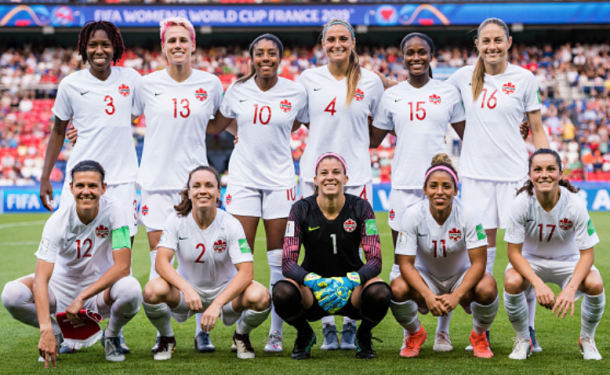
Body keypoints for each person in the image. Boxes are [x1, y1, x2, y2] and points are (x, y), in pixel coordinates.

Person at [445, 18, 550, 350]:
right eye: (485, 41)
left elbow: (535, 126)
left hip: (516, 178)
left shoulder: (523, 78)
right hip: (475, 178)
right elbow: (426, 92)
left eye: (497, 40)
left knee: (525, 256)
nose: (491, 46)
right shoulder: (462, 77)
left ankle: (529, 331)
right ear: (477, 45)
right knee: (482, 260)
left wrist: (547, 163)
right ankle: (482, 331)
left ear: (508, 43)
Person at [40, 20, 140, 352]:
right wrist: (45, 177)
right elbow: (58, 131)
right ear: (84, 48)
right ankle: (68, 324)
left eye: (106, 44)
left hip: (123, 182)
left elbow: (150, 113)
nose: (99, 50)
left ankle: (112, 330)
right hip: (82, 182)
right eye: (93, 45)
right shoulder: (71, 85)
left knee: (119, 259)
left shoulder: (131, 80)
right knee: (71, 255)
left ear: (116, 47)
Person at [209, 34, 307, 353]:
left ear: (281, 57)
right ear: (251, 58)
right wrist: (244, 133)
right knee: (241, 259)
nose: (266, 58)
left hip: (280, 180)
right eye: (259, 53)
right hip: (243, 180)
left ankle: (275, 334)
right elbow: (215, 125)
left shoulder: (295, 91)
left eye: (272, 53)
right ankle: (241, 327)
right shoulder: (237, 90)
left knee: (280, 261)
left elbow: (294, 125)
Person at [371, 32, 466, 352]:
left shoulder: (448, 92)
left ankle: (442, 331)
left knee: (446, 261)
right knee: (401, 265)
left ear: (431, 56)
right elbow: (372, 139)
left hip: (439, 186)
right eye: (409, 52)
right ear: (402, 57)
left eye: (421, 52)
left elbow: (471, 133)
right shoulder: (391, 96)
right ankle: (411, 330)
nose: (415, 57)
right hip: (402, 186)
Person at [297, 18, 384, 351]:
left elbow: (379, 127)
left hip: (358, 176)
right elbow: (295, 119)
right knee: (316, 250)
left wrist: (359, 144)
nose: (337, 44)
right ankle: (327, 325)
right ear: (322, 43)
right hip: (313, 176)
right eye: (331, 39)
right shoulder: (307, 79)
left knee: (357, 250)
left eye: (343, 38)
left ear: (352, 43)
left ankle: (351, 324)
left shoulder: (371, 81)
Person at [2, 160, 142, 367]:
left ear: (103, 188)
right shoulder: (57, 221)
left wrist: (82, 297)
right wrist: (46, 329)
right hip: (60, 289)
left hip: (98, 290)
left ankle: (111, 336)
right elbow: (41, 278)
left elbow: (122, 267)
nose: (86, 192)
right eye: (80, 186)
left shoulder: (115, 211)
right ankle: (58, 333)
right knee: (11, 294)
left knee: (131, 290)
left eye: (93, 186)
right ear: (71, 188)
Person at [141, 166, 271, 360]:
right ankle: (167, 338)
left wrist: (218, 303)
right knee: (151, 291)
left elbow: (246, 272)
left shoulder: (231, 223)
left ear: (219, 192)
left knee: (261, 296)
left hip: (225, 294)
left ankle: (241, 335)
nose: (203, 190)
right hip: (187, 294)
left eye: (209, 185)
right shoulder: (176, 220)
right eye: (197, 186)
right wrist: (186, 288)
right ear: (189, 192)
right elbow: (161, 263)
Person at [272, 153, 391, 360]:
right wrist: (314, 281)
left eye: (336, 172)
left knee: (381, 291)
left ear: (346, 178)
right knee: (281, 291)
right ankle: (305, 334)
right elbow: (288, 262)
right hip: (314, 293)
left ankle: (363, 335)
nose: (330, 177)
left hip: (351, 291)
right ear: (315, 180)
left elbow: (375, 260)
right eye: (323, 173)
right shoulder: (300, 209)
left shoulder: (361, 207)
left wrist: (349, 281)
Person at [389, 153, 498, 359]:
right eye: (433, 186)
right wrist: (428, 295)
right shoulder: (412, 215)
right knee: (397, 287)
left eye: (446, 186)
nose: (440, 192)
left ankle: (479, 336)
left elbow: (479, 263)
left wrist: (457, 295)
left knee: (487, 286)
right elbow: (405, 264)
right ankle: (415, 333)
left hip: (460, 278)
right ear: (424, 189)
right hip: (426, 278)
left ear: (456, 190)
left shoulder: (468, 213)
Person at [503, 148, 604, 360]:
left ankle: (587, 339)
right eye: (537, 169)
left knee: (595, 284)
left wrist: (571, 289)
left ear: (560, 173)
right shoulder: (521, 203)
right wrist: (537, 283)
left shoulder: (575, 203)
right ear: (530, 174)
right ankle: (523, 340)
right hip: (531, 261)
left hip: (569, 261)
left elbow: (587, 254)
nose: (544, 174)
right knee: (511, 281)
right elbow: (514, 253)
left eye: (551, 169)